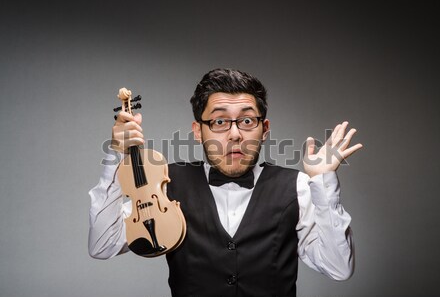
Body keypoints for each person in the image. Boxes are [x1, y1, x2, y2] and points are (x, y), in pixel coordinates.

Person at [88, 68, 363, 297]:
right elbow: (102, 245)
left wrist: (323, 181)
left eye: (246, 120)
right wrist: (116, 155)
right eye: (219, 121)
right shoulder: (166, 183)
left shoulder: (300, 187)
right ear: (198, 131)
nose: (234, 134)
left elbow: (338, 268)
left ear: (264, 129)